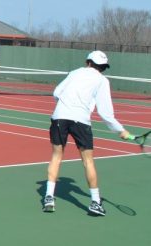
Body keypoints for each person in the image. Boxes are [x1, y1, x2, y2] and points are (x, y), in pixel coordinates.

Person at [43, 51, 132, 216]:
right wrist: (121, 130)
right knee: (88, 161)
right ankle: (95, 202)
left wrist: (65, 107)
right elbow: (106, 113)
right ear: (102, 67)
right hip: (81, 121)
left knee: (56, 156)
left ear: (88, 62)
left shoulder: (74, 72)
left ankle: (49, 197)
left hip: (59, 118)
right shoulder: (102, 81)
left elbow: (56, 93)